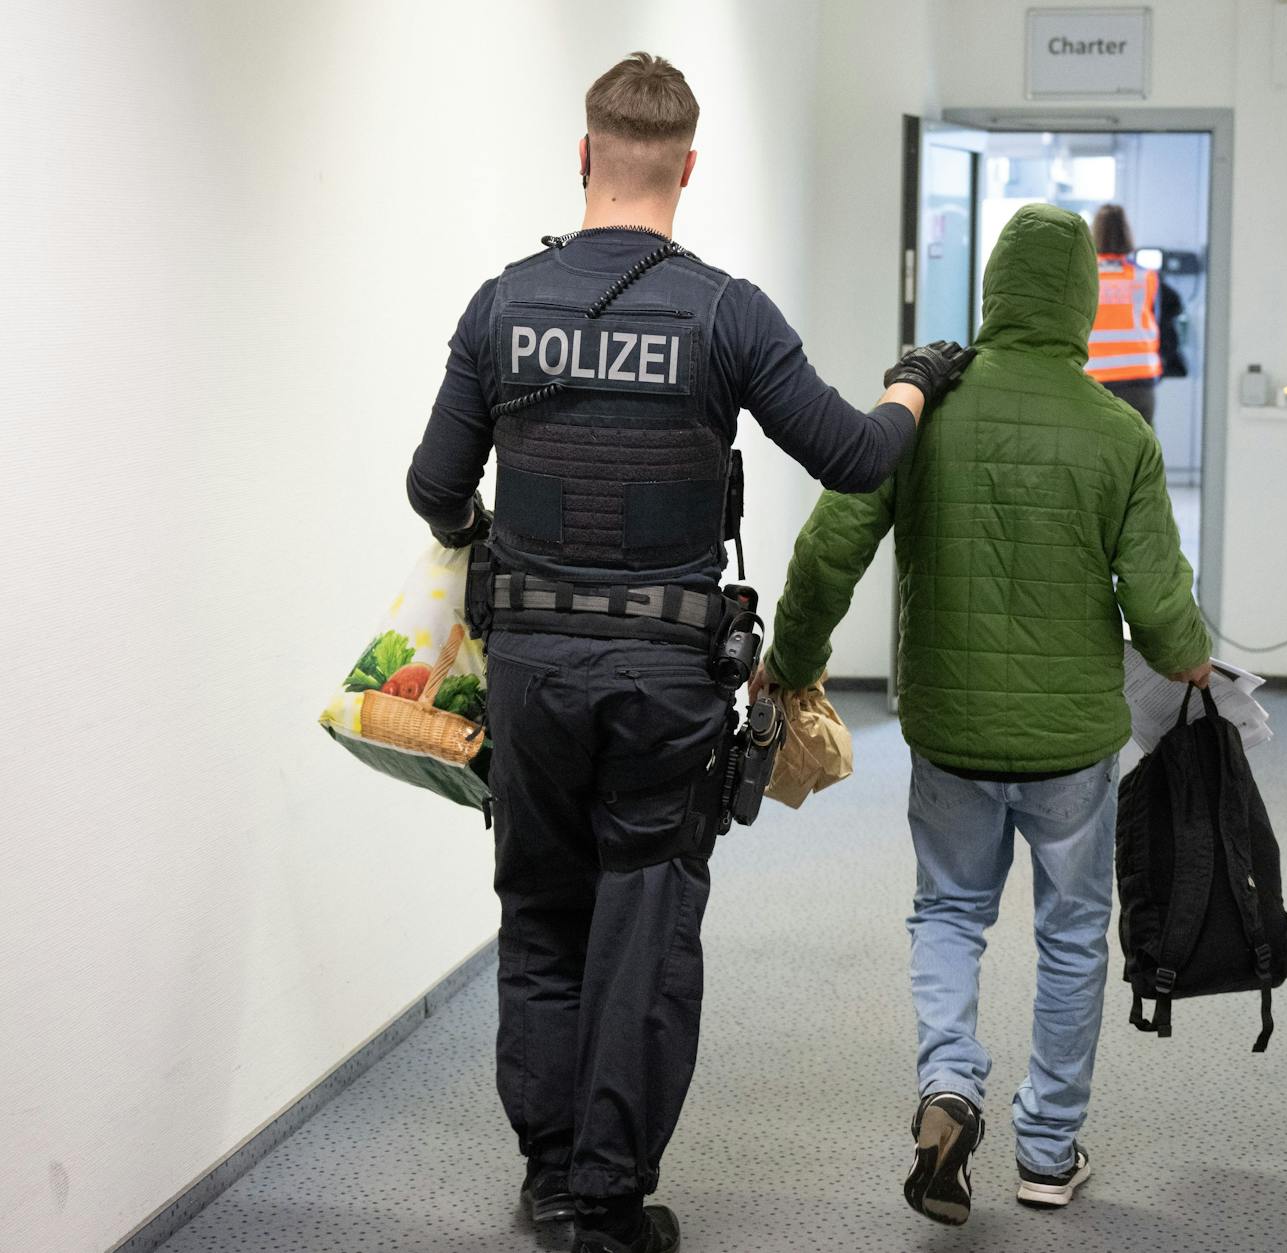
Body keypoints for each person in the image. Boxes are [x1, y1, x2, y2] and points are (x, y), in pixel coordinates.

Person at [404, 53, 971, 1253]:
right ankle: (610, 1199)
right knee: (643, 929)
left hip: (533, 677)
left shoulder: (502, 304)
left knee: (540, 913)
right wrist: (911, 385)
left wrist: (477, 543)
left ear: (583, 155)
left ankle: (552, 1174)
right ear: (689, 169)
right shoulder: (724, 311)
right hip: (665, 684)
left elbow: (433, 486)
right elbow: (855, 456)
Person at [753, 203, 1212, 1227]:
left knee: (951, 912)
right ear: (1083, 304)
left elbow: (831, 545)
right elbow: (1165, 620)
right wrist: (1191, 657)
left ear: (991, 293)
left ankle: (949, 1086)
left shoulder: (922, 416)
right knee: (1072, 934)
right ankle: (1047, 1149)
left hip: (948, 732)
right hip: (1070, 750)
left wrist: (790, 660)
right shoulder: (1117, 433)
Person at [1085, 203, 1162, 424]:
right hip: (1140, 382)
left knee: (1098, 455)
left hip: (1094, 382)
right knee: (1143, 455)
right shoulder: (1145, 278)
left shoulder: (1083, 278)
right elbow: (1162, 327)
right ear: (1127, 233)